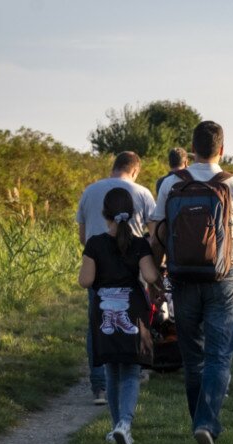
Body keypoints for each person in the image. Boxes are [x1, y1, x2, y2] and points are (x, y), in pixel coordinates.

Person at [148, 121, 233, 444]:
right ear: (222, 149)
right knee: (218, 354)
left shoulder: (171, 183)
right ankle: (206, 422)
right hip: (223, 276)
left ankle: (199, 418)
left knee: (192, 353)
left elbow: (157, 233)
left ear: (192, 149)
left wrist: (155, 276)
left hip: (182, 276)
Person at [77, 187, 161, 444]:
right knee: (131, 371)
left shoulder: (95, 244)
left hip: (103, 313)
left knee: (111, 370)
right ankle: (124, 424)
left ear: (105, 215)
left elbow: (85, 281)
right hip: (133, 313)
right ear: (133, 214)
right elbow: (149, 277)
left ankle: (118, 427)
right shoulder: (138, 244)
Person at [77, 151, 157, 405]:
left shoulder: (89, 191)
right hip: (132, 272)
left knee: (97, 324)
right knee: (134, 320)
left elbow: (82, 236)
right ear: (135, 171)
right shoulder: (142, 193)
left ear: (114, 167)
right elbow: (154, 237)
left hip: (97, 271)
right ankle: (134, 368)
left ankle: (100, 386)